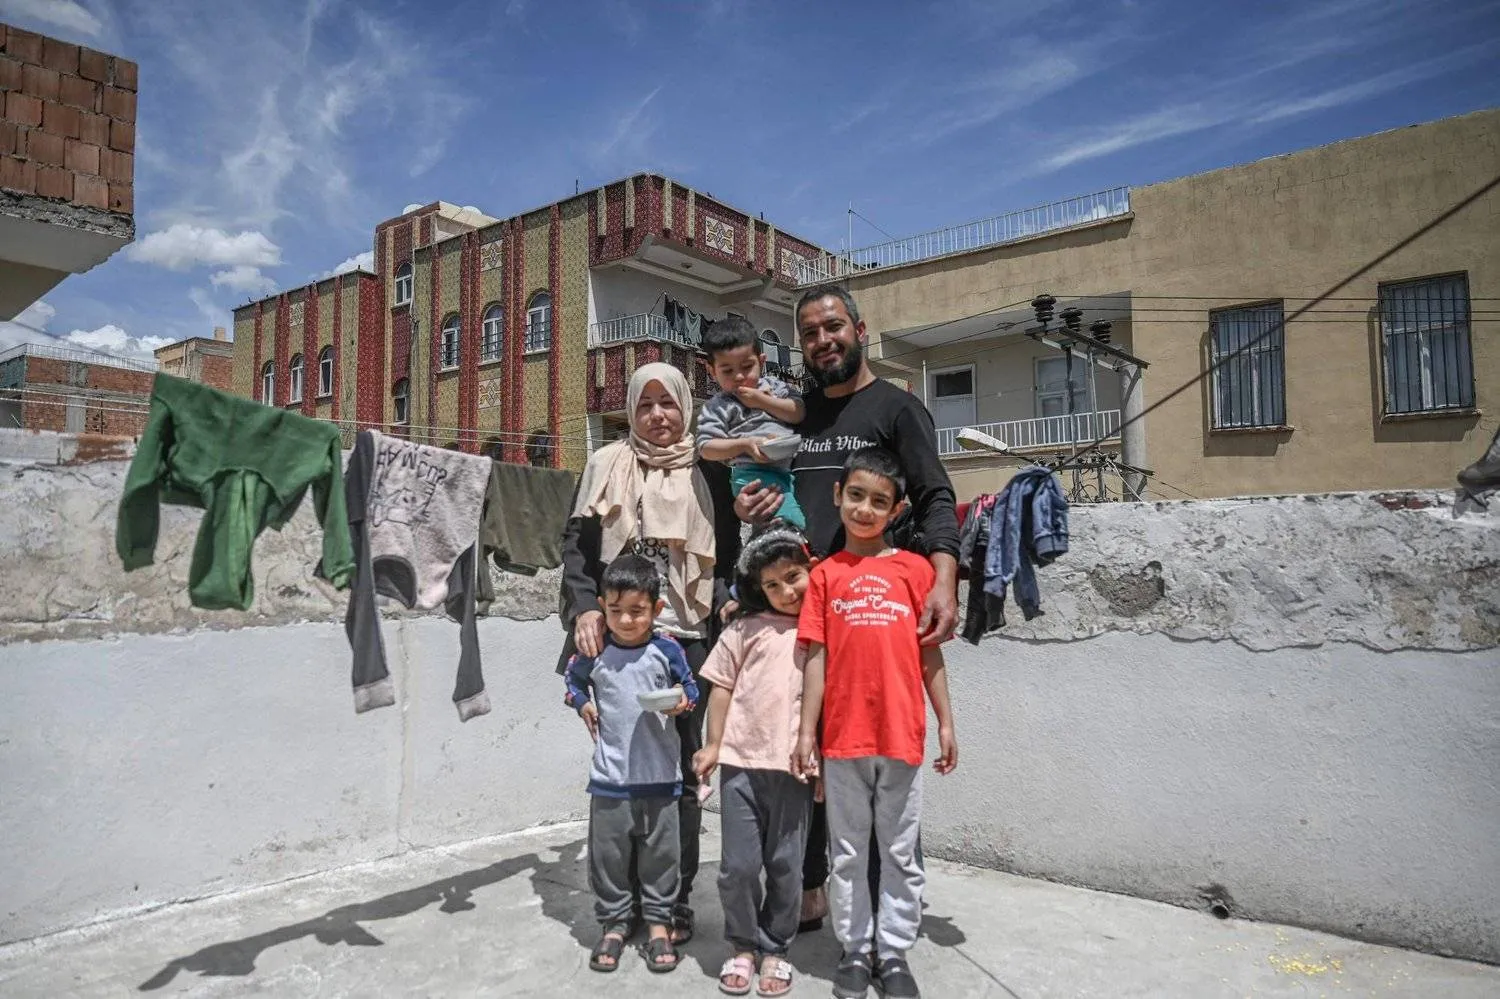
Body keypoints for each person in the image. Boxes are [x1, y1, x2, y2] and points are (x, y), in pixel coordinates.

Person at [731, 284, 961, 929]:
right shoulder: (798, 417)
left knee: (881, 761)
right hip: (804, 615)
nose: (823, 341)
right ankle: (810, 886)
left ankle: (893, 898)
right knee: (808, 757)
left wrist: (944, 579)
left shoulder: (895, 407)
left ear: (859, 330)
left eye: (833, 327)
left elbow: (936, 496)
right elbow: (770, 491)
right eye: (809, 333)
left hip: (872, 620)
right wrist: (748, 510)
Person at [558, 361, 729, 945]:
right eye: (646, 404)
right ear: (631, 411)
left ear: (687, 406)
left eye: (670, 403)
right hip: (619, 644)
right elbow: (579, 550)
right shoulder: (608, 464)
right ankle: (622, 902)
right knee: (621, 772)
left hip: (689, 640)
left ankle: (672, 902)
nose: (659, 415)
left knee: (681, 777)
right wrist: (584, 607)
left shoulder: (708, 467)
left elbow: (726, 554)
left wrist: (728, 611)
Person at [792, 448, 958, 999]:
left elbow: (930, 655)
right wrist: (805, 734)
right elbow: (814, 659)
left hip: (902, 737)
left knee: (900, 852)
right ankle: (855, 950)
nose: (865, 509)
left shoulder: (916, 572)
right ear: (838, 495)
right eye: (857, 495)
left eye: (879, 501)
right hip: (842, 741)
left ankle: (893, 952)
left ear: (897, 509)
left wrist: (947, 722)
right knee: (848, 853)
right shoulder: (824, 576)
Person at [692, 529, 817, 996]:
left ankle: (776, 949)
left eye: (794, 577)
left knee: (787, 865)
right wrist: (712, 745)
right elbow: (721, 687)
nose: (787, 591)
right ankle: (742, 945)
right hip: (740, 766)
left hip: (795, 769)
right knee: (739, 867)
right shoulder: (743, 630)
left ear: (810, 569)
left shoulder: (821, 631)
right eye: (773, 585)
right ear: (756, 590)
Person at [565, 554, 700, 974]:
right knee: (608, 858)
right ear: (602, 606)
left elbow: (690, 688)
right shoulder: (596, 651)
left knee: (661, 857)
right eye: (615, 610)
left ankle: (659, 925)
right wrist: (584, 704)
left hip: (661, 778)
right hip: (610, 780)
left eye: (637, 611)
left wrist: (681, 702)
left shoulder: (666, 649)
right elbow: (572, 683)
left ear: (657, 610)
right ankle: (615, 923)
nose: (625, 620)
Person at [696, 315, 807, 530]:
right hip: (751, 476)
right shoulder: (719, 405)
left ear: (762, 362)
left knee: (794, 512)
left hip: (787, 472)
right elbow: (707, 448)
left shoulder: (776, 387)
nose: (738, 376)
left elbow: (798, 412)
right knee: (795, 520)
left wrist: (762, 400)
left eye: (747, 367)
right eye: (727, 371)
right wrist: (745, 444)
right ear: (712, 371)